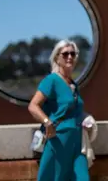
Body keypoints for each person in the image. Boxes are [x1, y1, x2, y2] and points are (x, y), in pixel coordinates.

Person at [28, 39, 90, 181]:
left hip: (76, 141)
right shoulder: (52, 80)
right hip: (58, 140)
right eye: (65, 54)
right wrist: (47, 121)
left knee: (82, 177)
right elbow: (33, 105)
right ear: (57, 57)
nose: (70, 57)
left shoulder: (73, 84)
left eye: (73, 54)